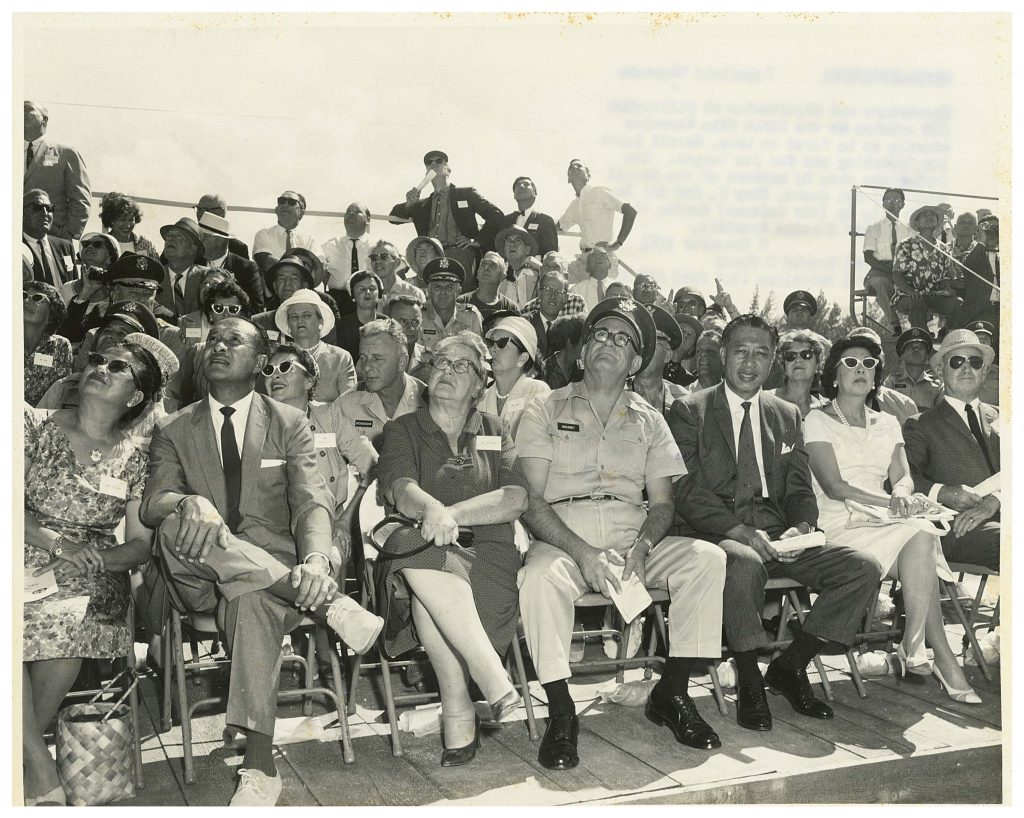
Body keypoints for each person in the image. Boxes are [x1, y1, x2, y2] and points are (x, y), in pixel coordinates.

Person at [140, 316, 383, 805]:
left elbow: (312, 502)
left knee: (250, 600)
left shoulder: (289, 423)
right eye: (212, 340)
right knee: (174, 522)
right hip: (199, 573)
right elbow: (153, 503)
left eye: (234, 340)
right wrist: (189, 502)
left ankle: (259, 767)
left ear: (258, 362)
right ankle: (332, 605)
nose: (218, 346)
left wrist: (316, 560)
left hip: (273, 579)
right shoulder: (174, 427)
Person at [516, 297, 726, 767]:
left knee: (707, 559)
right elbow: (530, 499)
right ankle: (562, 709)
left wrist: (645, 546)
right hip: (563, 539)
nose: (609, 344)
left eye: (623, 339)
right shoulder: (543, 408)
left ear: (635, 362)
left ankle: (671, 693)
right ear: (582, 352)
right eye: (600, 335)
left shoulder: (651, 420)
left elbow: (664, 503)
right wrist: (583, 552)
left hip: (635, 538)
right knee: (538, 576)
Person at [668, 315, 883, 733]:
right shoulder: (688, 409)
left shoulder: (786, 414)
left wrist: (801, 526)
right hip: (717, 535)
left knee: (862, 567)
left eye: (761, 354)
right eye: (741, 352)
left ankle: (790, 666)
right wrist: (738, 530)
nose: (750, 363)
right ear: (722, 355)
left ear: (772, 364)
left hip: (778, 535)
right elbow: (686, 490)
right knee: (744, 563)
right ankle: (750, 678)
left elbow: (800, 488)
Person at [375, 331, 529, 766]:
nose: (448, 371)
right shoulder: (402, 429)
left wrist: (449, 514)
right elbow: (400, 488)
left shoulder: (496, 431)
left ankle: (458, 707)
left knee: (432, 596)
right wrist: (430, 514)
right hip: (420, 549)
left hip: (487, 554)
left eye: (462, 365)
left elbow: (515, 497)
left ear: (480, 384)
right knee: (425, 557)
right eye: (441, 362)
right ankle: (494, 683)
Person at [21, 342, 163, 805]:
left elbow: (141, 544)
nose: (100, 368)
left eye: (118, 367)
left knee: (67, 618)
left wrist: (99, 558)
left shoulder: (136, 459)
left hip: (91, 570)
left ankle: (27, 761)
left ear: (135, 398)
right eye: (98, 360)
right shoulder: (33, 427)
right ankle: (35, 764)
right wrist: (58, 543)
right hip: (23, 544)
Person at [804, 336, 979, 704]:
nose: (860, 371)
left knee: (920, 536)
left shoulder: (886, 422)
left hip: (887, 520)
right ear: (834, 374)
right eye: (850, 363)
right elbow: (835, 488)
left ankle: (914, 645)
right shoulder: (817, 420)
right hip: (840, 522)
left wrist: (901, 492)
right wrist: (891, 501)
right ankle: (935, 656)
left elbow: (903, 475)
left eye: (868, 365)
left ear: (876, 375)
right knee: (921, 538)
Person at [263, 343, 377, 561]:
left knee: (330, 562)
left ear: (309, 381)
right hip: (274, 531)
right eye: (269, 370)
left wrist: (345, 520)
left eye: (285, 367)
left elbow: (373, 467)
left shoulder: (329, 416)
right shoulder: (257, 423)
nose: (275, 375)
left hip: (329, 525)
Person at [903, 330, 1000, 572]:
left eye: (975, 362)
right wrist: (945, 493)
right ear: (939, 371)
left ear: (985, 371)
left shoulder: (1003, 417)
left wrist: (996, 502)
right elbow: (903, 481)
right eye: (957, 362)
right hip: (958, 527)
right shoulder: (921, 424)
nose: (966, 368)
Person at [389, 149, 504, 291]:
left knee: (463, 296)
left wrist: (477, 241)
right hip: (432, 257)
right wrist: (409, 204)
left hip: (460, 254)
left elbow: (496, 214)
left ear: (448, 170)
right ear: (426, 173)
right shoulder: (422, 205)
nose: (433, 164)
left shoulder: (466, 194)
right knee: (433, 297)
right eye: (429, 162)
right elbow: (393, 218)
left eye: (439, 161)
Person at [41, 301, 163, 412]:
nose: (110, 336)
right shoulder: (65, 388)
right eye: (107, 331)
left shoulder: (144, 402)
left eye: (121, 334)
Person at [338, 319, 426, 448]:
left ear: (402, 362)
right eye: (363, 358)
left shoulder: (428, 402)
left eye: (377, 358)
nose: (367, 367)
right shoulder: (347, 404)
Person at [557, 158, 637, 282]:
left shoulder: (599, 192)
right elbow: (557, 227)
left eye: (579, 166)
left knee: (598, 295)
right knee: (558, 278)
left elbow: (630, 211)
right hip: (583, 260)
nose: (575, 168)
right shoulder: (574, 205)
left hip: (602, 258)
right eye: (571, 168)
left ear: (588, 175)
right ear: (568, 179)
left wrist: (617, 244)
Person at [23, 100, 91, 240]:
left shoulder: (65, 152)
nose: (20, 112)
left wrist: (69, 234)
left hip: (51, 237)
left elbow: (80, 198)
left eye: (27, 109)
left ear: (44, 119)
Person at [275, 289, 356, 401]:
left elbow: (349, 403)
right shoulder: (277, 359)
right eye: (294, 316)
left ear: (320, 322)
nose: (300, 320)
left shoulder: (340, 358)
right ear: (288, 325)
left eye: (307, 315)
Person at [480, 315, 551, 437]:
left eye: (502, 343)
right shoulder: (482, 398)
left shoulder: (538, 392)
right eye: (491, 343)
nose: (493, 350)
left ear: (523, 358)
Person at [893, 204, 958, 330]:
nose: (929, 217)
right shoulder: (905, 245)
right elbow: (897, 275)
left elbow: (945, 276)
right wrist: (911, 292)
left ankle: (948, 336)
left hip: (935, 295)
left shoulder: (944, 248)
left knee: (956, 303)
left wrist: (947, 288)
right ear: (917, 224)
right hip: (907, 296)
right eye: (924, 215)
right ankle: (922, 340)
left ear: (938, 222)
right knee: (917, 302)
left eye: (932, 215)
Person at [862, 188, 912, 335]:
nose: (892, 204)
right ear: (882, 204)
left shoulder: (908, 229)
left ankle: (918, 325)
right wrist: (890, 270)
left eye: (896, 201)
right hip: (880, 271)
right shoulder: (873, 228)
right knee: (880, 283)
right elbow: (868, 257)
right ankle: (895, 324)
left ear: (902, 204)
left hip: (903, 272)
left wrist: (901, 272)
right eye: (888, 200)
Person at [197, 212, 266, 313]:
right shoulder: (194, 263)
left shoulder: (246, 269)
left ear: (219, 240)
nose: (198, 241)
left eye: (203, 237)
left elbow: (256, 309)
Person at [629, 305, 689, 416]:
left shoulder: (683, 400)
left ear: (668, 355)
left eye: (652, 345)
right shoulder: (615, 392)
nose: (643, 351)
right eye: (640, 343)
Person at [58, 232, 120, 338]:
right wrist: (85, 292)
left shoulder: (117, 291)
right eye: (86, 244)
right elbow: (62, 332)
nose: (90, 246)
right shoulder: (66, 288)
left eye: (97, 244)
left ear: (110, 258)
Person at [252, 191, 323, 281]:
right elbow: (266, 263)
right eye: (281, 201)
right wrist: (301, 270)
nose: (285, 204)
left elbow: (318, 270)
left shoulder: (310, 240)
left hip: (302, 293)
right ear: (276, 209)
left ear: (301, 212)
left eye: (291, 202)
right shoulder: (264, 234)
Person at [23, 281, 73, 406]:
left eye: (37, 297)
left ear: (52, 312)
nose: (27, 300)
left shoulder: (60, 346)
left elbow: (60, 396)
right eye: (23, 295)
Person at [520, 269, 587, 360]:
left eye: (559, 292)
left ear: (565, 298)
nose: (552, 296)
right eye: (547, 290)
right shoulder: (524, 324)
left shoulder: (569, 330)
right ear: (539, 293)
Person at [419, 257, 484, 351]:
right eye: (437, 287)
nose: (443, 292)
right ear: (429, 291)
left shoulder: (471, 316)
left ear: (458, 291)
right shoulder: (419, 315)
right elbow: (415, 357)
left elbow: (479, 354)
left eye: (449, 288)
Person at [251, 251, 318, 338]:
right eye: (282, 278)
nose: (287, 283)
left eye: (294, 279)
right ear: (275, 287)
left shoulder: (317, 323)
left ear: (304, 286)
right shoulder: (259, 322)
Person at [322, 202, 373, 315]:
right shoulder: (330, 246)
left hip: (368, 300)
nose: (351, 214)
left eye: (357, 211)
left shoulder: (377, 246)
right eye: (348, 212)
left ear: (367, 219)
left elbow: (399, 269)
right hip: (337, 301)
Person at [155, 217, 210, 319]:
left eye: (179, 237)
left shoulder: (207, 277)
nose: (171, 239)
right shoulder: (155, 277)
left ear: (192, 249)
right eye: (169, 236)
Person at [179, 277, 251, 352]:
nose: (225, 314)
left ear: (242, 315)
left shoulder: (250, 347)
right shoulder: (198, 351)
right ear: (210, 315)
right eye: (218, 308)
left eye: (233, 309)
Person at [23, 189, 76, 288]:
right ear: (22, 213)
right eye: (37, 207)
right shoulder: (15, 248)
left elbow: (74, 287)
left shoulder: (65, 246)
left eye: (49, 208)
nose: (45, 213)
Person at [766, 330, 826, 417]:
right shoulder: (765, 400)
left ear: (818, 364)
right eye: (790, 356)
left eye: (806, 354)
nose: (798, 360)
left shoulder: (826, 409)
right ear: (784, 366)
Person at [884, 328, 942, 412]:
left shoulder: (938, 385)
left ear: (927, 356)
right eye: (910, 347)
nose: (916, 350)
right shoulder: (891, 381)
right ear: (902, 356)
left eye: (921, 347)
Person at [958, 214, 999, 331]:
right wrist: (982, 239)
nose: (993, 233)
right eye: (989, 229)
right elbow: (967, 266)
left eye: (996, 229)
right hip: (979, 311)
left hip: (999, 309)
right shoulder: (974, 253)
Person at [334, 270, 386, 363]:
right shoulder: (342, 327)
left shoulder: (387, 323)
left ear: (379, 295)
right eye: (362, 289)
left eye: (372, 288)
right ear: (353, 295)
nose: (368, 292)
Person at [502, 175, 558, 256]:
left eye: (526, 184)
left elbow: (551, 256)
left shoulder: (545, 221)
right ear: (514, 195)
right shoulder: (506, 220)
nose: (521, 186)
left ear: (535, 193)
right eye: (518, 185)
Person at [457, 251, 520, 322]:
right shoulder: (461, 302)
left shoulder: (510, 308)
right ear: (477, 274)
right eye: (483, 264)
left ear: (502, 276)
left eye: (493, 265)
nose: (486, 268)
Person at [99, 192, 160, 259]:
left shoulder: (144, 243)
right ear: (112, 220)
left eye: (131, 220)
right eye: (123, 220)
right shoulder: (101, 243)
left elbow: (158, 267)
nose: (128, 225)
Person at [368, 239, 425, 310]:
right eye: (374, 258)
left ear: (397, 263)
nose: (378, 261)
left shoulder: (413, 293)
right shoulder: (366, 294)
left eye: (384, 257)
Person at [494, 225, 541, 308]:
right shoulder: (497, 276)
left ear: (527, 249)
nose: (512, 244)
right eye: (508, 241)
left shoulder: (538, 275)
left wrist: (540, 267)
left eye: (518, 241)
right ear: (504, 250)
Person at [539, 314, 586, 390]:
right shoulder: (544, 371)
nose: (587, 345)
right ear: (570, 342)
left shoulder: (581, 370)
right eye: (583, 341)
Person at [385, 296, 429, 377]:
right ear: (389, 323)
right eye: (403, 321)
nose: (411, 328)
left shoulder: (429, 360)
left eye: (415, 322)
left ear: (422, 325)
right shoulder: (376, 357)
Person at [196, 193, 249, 259]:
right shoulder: (188, 242)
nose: (200, 213)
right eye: (198, 209)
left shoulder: (238, 248)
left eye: (205, 209)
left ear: (221, 213)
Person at [569, 243, 616, 312]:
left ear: (609, 264)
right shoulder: (576, 290)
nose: (598, 258)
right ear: (587, 267)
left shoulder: (618, 288)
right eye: (593, 256)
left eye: (602, 256)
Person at [662, 313, 702, 387]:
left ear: (692, 349)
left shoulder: (690, 382)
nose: (685, 335)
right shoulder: (654, 361)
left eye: (690, 334)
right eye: (682, 329)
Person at [965, 320, 999, 406]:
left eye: (986, 339)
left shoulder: (1001, 374)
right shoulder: (961, 370)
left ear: (991, 344)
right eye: (979, 339)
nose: (982, 342)